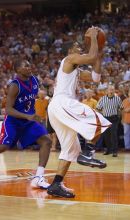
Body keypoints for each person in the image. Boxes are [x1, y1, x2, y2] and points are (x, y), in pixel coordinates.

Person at [47, 27, 111, 198]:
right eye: (77, 46)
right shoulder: (68, 59)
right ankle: (88, 152)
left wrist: (99, 53)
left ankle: (56, 184)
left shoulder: (75, 70)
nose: (80, 47)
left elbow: (96, 78)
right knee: (99, 120)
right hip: (63, 103)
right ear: (69, 50)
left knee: (69, 150)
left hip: (57, 107)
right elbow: (90, 56)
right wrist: (94, 40)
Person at [0, 60, 52, 189]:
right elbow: (8, 109)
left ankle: (39, 176)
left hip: (29, 120)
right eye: (25, 65)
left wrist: (49, 88)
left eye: (29, 64)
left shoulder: (34, 80)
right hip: (13, 121)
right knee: (4, 146)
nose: (29, 66)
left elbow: (41, 91)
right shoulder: (14, 86)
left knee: (46, 141)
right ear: (18, 70)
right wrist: (27, 115)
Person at [96, 84, 123, 157]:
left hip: (114, 118)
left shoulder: (117, 98)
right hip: (105, 118)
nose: (111, 91)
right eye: (110, 89)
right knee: (106, 135)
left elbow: (121, 108)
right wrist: (102, 114)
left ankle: (114, 151)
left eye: (112, 89)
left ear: (114, 90)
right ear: (107, 91)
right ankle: (108, 150)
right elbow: (98, 108)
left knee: (113, 134)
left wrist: (120, 117)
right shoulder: (102, 98)